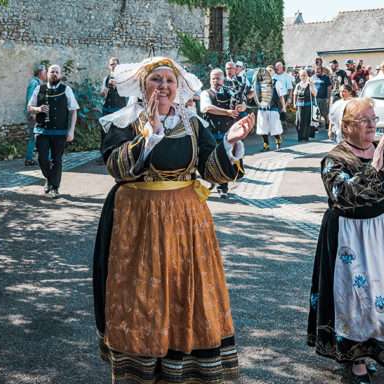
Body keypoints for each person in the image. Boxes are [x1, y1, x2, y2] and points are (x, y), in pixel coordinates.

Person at [94, 56, 255, 383]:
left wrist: (231, 143)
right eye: (157, 80)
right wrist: (149, 133)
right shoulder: (124, 122)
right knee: (142, 297)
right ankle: (140, 369)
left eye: (169, 80)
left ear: (177, 86)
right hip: (136, 223)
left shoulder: (192, 123)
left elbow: (212, 170)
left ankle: (182, 368)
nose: (164, 86)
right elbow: (117, 168)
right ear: (143, 85)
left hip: (186, 223)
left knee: (185, 292)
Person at [308, 98, 384, 384]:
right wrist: (372, 170)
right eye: (364, 120)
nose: (373, 124)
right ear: (347, 127)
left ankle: (373, 347)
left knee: (379, 296)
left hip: (383, 240)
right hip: (351, 240)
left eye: (373, 118)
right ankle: (355, 359)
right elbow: (344, 196)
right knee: (354, 300)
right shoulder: (335, 159)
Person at [26, 64, 79, 198]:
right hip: (41, 130)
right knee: (42, 159)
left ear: (60, 75)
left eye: (57, 72)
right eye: (52, 72)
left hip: (60, 132)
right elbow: (29, 107)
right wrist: (38, 109)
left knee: (57, 160)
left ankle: (54, 187)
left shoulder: (66, 90)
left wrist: (71, 131)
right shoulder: (39, 88)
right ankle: (50, 180)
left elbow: (73, 111)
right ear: (47, 74)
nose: (54, 74)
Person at [201, 68, 244, 198]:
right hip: (210, 132)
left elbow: (241, 105)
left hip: (226, 132)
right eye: (213, 78)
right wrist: (227, 112)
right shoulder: (205, 93)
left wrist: (241, 107)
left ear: (223, 79)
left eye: (218, 78)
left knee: (225, 159)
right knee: (208, 159)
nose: (215, 80)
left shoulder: (229, 92)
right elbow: (207, 108)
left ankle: (222, 187)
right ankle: (212, 181)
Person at [253, 67, 285, 150]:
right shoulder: (260, 83)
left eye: (270, 70)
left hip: (273, 107)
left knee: (275, 127)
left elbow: (281, 97)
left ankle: (278, 140)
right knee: (262, 128)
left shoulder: (277, 83)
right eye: (267, 71)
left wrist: (284, 108)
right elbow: (255, 94)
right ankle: (266, 144)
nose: (268, 72)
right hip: (262, 108)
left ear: (273, 72)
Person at [24, 64, 46, 166]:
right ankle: (29, 159)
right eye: (45, 71)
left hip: (37, 113)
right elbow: (30, 99)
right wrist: (33, 113)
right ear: (40, 72)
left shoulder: (38, 83)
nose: (46, 73)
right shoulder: (34, 83)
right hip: (33, 114)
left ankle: (35, 157)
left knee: (37, 136)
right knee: (34, 136)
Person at [294, 69, 317, 142]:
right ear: (300, 77)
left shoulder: (309, 84)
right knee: (299, 122)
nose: (303, 77)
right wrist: (294, 103)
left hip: (308, 106)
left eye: (305, 75)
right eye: (302, 75)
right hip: (299, 106)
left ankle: (305, 137)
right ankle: (300, 136)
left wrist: (312, 85)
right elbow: (295, 94)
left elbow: (315, 94)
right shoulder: (298, 85)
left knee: (306, 121)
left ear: (307, 76)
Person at [274, 61, 295, 128]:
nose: (277, 69)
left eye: (278, 67)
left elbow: (290, 89)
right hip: (275, 97)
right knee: (276, 112)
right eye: (276, 68)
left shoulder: (287, 76)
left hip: (284, 96)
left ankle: (283, 124)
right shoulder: (274, 76)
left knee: (283, 111)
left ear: (282, 67)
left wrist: (289, 98)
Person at [312, 65, 332, 131]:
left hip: (323, 98)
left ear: (321, 70)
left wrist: (328, 98)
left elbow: (329, 88)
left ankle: (327, 125)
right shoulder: (312, 78)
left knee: (325, 114)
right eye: (316, 69)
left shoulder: (326, 77)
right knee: (316, 113)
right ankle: (316, 127)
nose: (317, 70)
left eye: (319, 69)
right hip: (315, 99)